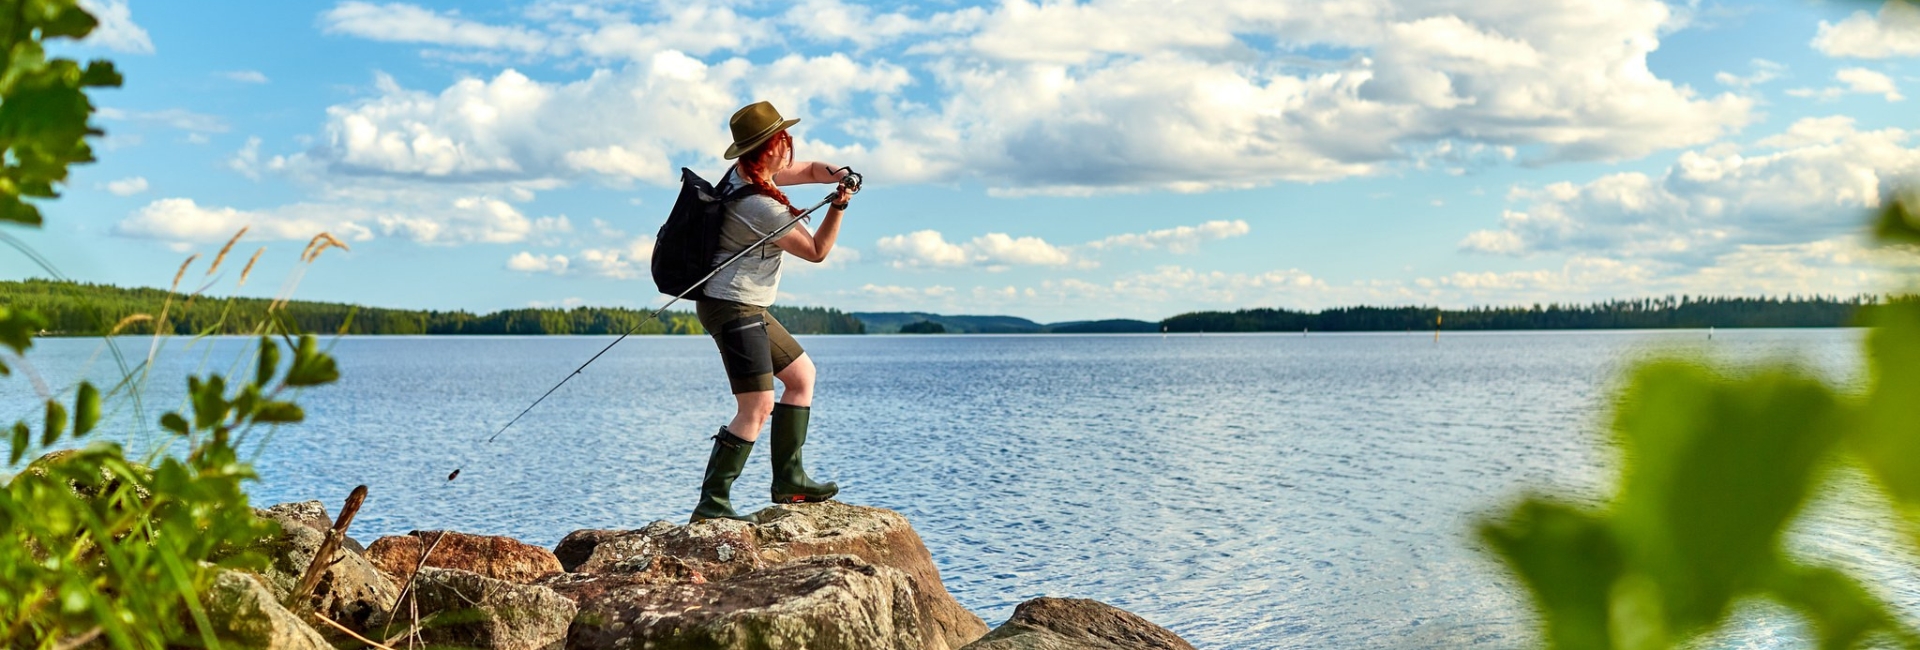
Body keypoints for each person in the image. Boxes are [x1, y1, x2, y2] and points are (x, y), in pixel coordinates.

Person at [690, 100, 855, 523]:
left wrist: (840, 174)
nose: (791, 147)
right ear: (772, 147)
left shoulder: (748, 173)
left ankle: (789, 480)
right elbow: (817, 251)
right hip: (731, 307)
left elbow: (813, 169)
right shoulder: (760, 206)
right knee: (757, 405)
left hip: (746, 304)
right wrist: (838, 208)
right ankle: (712, 504)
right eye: (785, 139)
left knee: (801, 377)